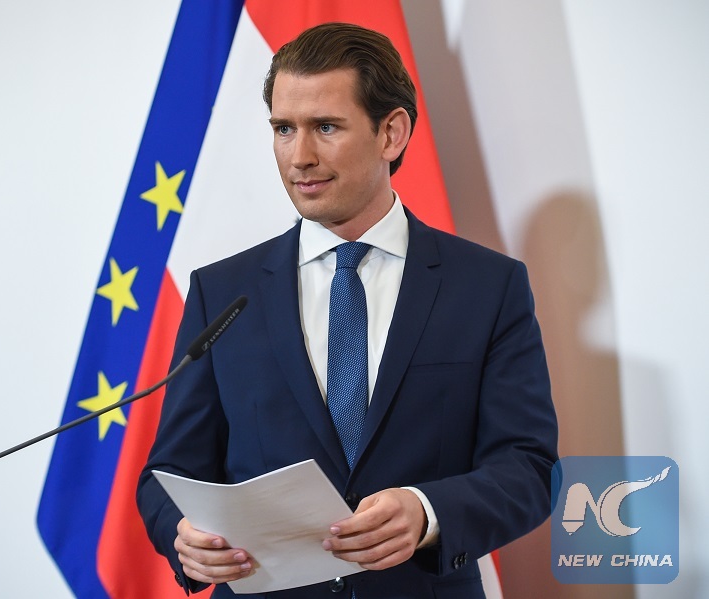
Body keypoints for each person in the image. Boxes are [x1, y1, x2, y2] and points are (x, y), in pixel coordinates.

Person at [137, 22, 558, 598]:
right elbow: (170, 473)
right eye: (284, 129)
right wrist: (182, 534)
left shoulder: (487, 287)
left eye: (326, 127)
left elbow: (528, 467)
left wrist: (426, 511)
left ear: (392, 133)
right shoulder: (222, 291)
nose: (300, 157)